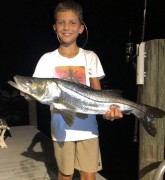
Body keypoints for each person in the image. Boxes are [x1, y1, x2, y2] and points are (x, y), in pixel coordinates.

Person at [21, 0, 123, 179]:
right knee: (65, 175)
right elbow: (37, 90)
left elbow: (98, 96)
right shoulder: (47, 59)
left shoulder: (90, 57)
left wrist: (108, 113)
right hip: (61, 129)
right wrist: (28, 92)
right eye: (61, 22)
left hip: (89, 128)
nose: (66, 27)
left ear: (81, 28)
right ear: (54, 27)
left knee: (88, 176)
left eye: (72, 22)